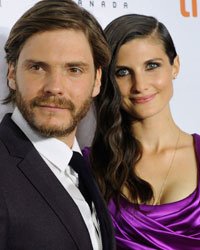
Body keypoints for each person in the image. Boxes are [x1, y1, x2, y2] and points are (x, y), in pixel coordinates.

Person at [0, 0, 116, 249]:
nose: (55, 87)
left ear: (96, 80)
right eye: (37, 67)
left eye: (74, 69)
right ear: (12, 73)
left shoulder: (85, 169)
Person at [88, 14, 200, 249]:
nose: (140, 85)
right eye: (123, 72)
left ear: (175, 66)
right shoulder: (89, 165)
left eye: (152, 66)